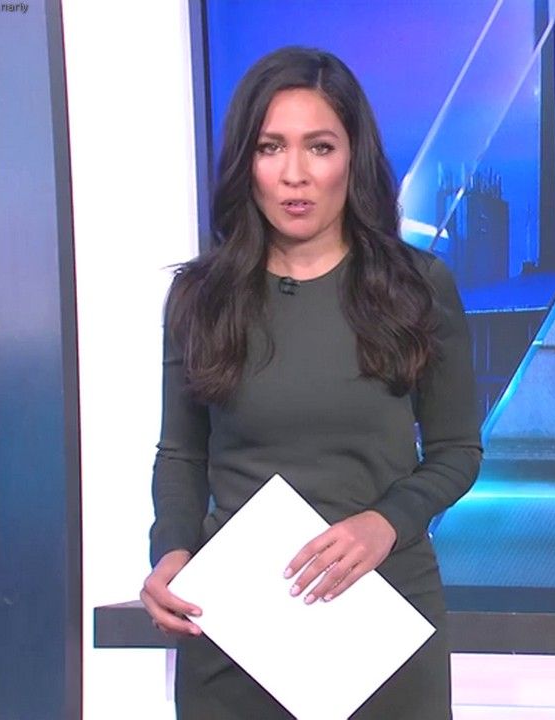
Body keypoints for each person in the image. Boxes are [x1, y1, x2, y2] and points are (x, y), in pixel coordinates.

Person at [137, 47, 481, 719]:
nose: (295, 175)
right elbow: (180, 454)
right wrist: (171, 550)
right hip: (236, 626)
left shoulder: (416, 287)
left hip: (380, 619)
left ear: (352, 157)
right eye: (271, 148)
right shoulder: (200, 297)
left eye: (319, 147)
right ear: (247, 162)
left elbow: (457, 452)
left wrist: (386, 523)